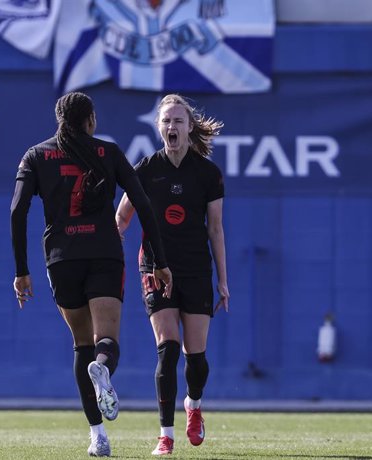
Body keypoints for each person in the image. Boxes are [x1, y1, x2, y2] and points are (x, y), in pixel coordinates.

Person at [9, 91, 172, 457]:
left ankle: (97, 435)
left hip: (61, 258)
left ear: (59, 120)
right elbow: (142, 204)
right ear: (91, 120)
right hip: (103, 253)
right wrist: (160, 260)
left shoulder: (36, 155)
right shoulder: (108, 153)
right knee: (105, 341)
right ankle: (103, 368)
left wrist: (22, 271)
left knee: (81, 342)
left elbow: (18, 211)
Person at [116, 94, 229, 456]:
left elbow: (215, 229)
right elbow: (121, 218)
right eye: (166, 121)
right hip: (155, 267)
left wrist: (222, 281)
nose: (172, 127)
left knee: (196, 358)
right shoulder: (146, 170)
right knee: (168, 350)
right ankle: (166, 435)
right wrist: (105, 248)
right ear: (158, 127)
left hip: (196, 268)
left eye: (178, 121)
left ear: (189, 126)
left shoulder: (207, 173)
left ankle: (193, 406)